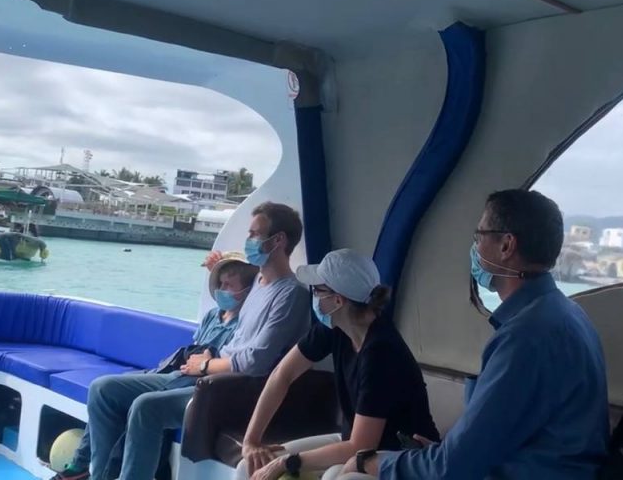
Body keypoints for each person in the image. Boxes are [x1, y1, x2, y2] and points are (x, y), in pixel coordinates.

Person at [344, 190, 609, 480]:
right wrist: (438, 454)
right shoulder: (564, 313)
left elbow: (453, 468)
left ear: (506, 245)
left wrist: (376, 463)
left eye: (479, 236)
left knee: (347, 475)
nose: (475, 247)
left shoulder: (527, 337)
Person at [85, 202, 312, 480]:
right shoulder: (258, 283)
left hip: (235, 389)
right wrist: (216, 269)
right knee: (103, 389)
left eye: (254, 235)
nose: (249, 241)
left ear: (278, 240)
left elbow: (255, 360)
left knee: (147, 408)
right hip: (205, 377)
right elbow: (232, 292)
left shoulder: (292, 295)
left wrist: (206, 366)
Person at [51, 253, 258, 480]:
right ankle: (96, 474)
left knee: (141, 405)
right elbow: (195, 352)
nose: (221, 289)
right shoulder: (212, 315)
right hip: (177, 372)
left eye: (229, 285)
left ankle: (93, 470)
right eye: (220, 283)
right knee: (102, 389)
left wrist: (206, 364)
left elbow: (231, 363)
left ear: (247, 292)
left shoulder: (247, 323)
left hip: (198, 383)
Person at [240, 249, 439, 480]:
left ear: (337, 300)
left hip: (401, 456)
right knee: (250, 465)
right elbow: (282, 375)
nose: (313, 296)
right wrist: (251, 441)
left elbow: (360, 447)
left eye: (317, 290)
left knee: (337, 477)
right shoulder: (335, 328)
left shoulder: (381, 353)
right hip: (353, 444)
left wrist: (288, 461)